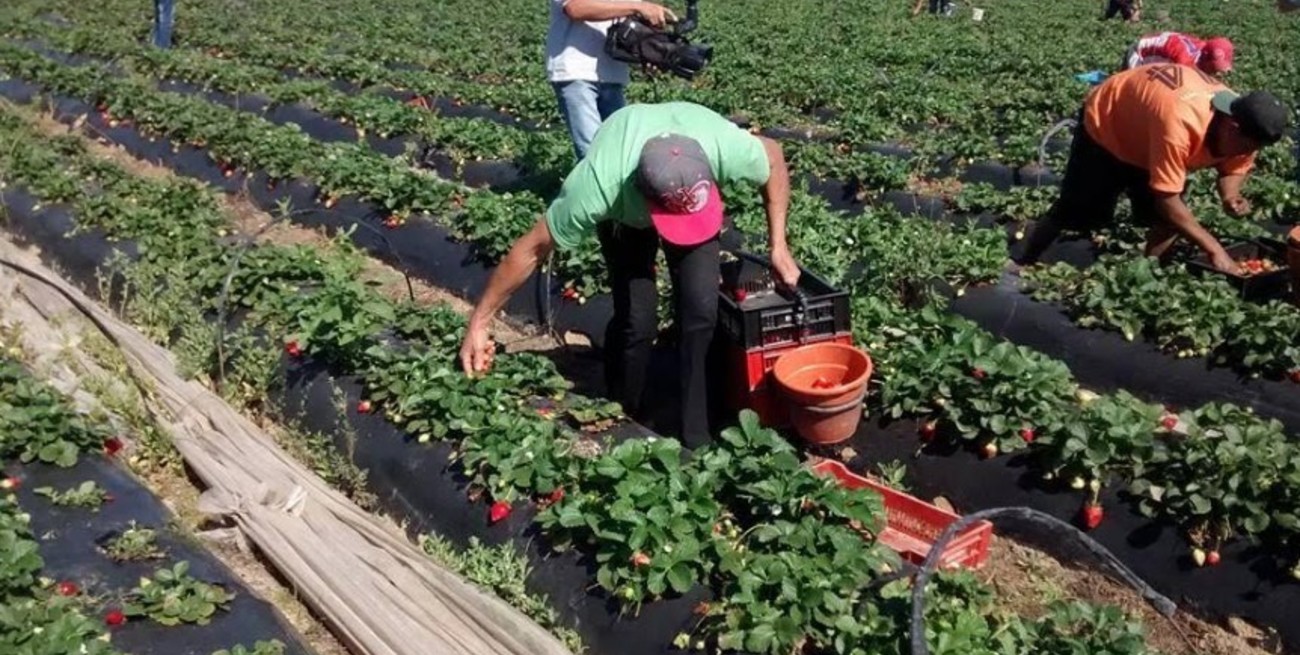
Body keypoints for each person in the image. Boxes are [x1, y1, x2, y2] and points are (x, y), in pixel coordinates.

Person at [459, 102, 800, 446]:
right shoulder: (599, 185)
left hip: (691, 196)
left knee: (700, 311)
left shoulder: (725, 148)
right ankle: (625, 409)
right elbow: (531, 249)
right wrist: (480, 322)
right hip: (626, 213)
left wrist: (778, 246)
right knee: (637, 318)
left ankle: (696, 432)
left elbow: (773, 156)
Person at [1015, 65, 1289, 273]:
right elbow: (1167, 200)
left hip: (1149, 128)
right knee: (1078, 209)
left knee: (1167, 224)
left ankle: (1148, 278)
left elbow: (1234, 168)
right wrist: (1214, 249)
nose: (1246, 153)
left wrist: (1230, 195)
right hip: (1110, 122)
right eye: (1246, 146)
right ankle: (1023, 258)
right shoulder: (1180, 122)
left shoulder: (1246, 125)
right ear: (1231, 126)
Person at [547, 0, 677, 160]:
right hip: (576, 70)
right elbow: (575, 8)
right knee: (593, 151)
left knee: (618, 149)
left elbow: (630, 27)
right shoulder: (633, 5)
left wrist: (649, 54)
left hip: (612, 74)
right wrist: (638, 7)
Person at [1121, 32, 1234, 77]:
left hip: (1161, 54)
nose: (1216, 73)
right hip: (1139, 54)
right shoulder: (1186, 62)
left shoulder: (1203, 47)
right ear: (1205, 57)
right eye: (1213, 67)